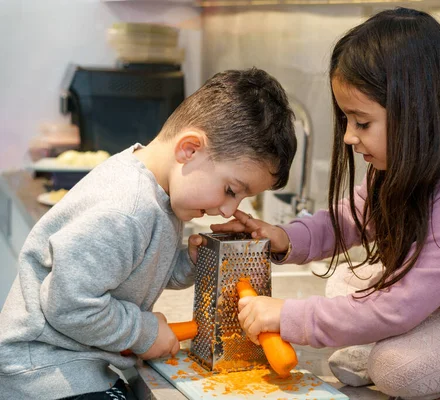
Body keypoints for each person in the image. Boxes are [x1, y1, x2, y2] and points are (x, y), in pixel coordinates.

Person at [212, 8, 440, 400]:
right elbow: (348, 220)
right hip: (435, 302)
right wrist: (283, 238)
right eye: (347, 120)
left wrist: (289, 316)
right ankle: (381, 343)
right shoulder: (399, 161)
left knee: (396, 369)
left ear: (415, 113)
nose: (348, 137)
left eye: (361, 123)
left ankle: (383, 352)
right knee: (344, 280)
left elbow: (402, 305)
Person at [0, 67, 297, 400]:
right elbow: (70, 306)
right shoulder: (125, 210)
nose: (229, 210)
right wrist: (143, 333)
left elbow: (131, 268)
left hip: (72, 364)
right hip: (41, 372)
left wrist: (187, 262)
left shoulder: (160, 192)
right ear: (189, 150)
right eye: (230, 189)